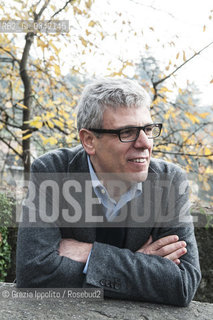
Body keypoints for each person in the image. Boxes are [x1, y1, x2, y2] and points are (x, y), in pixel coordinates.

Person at [16, 78, 201, 306]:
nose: (145, 143)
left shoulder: (170, 181)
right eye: (127, 132)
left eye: (149, 129)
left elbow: (183, 284)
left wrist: (91, 254)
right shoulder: (52, 171)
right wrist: (142, 264)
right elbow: (33, 274)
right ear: (89, 141)